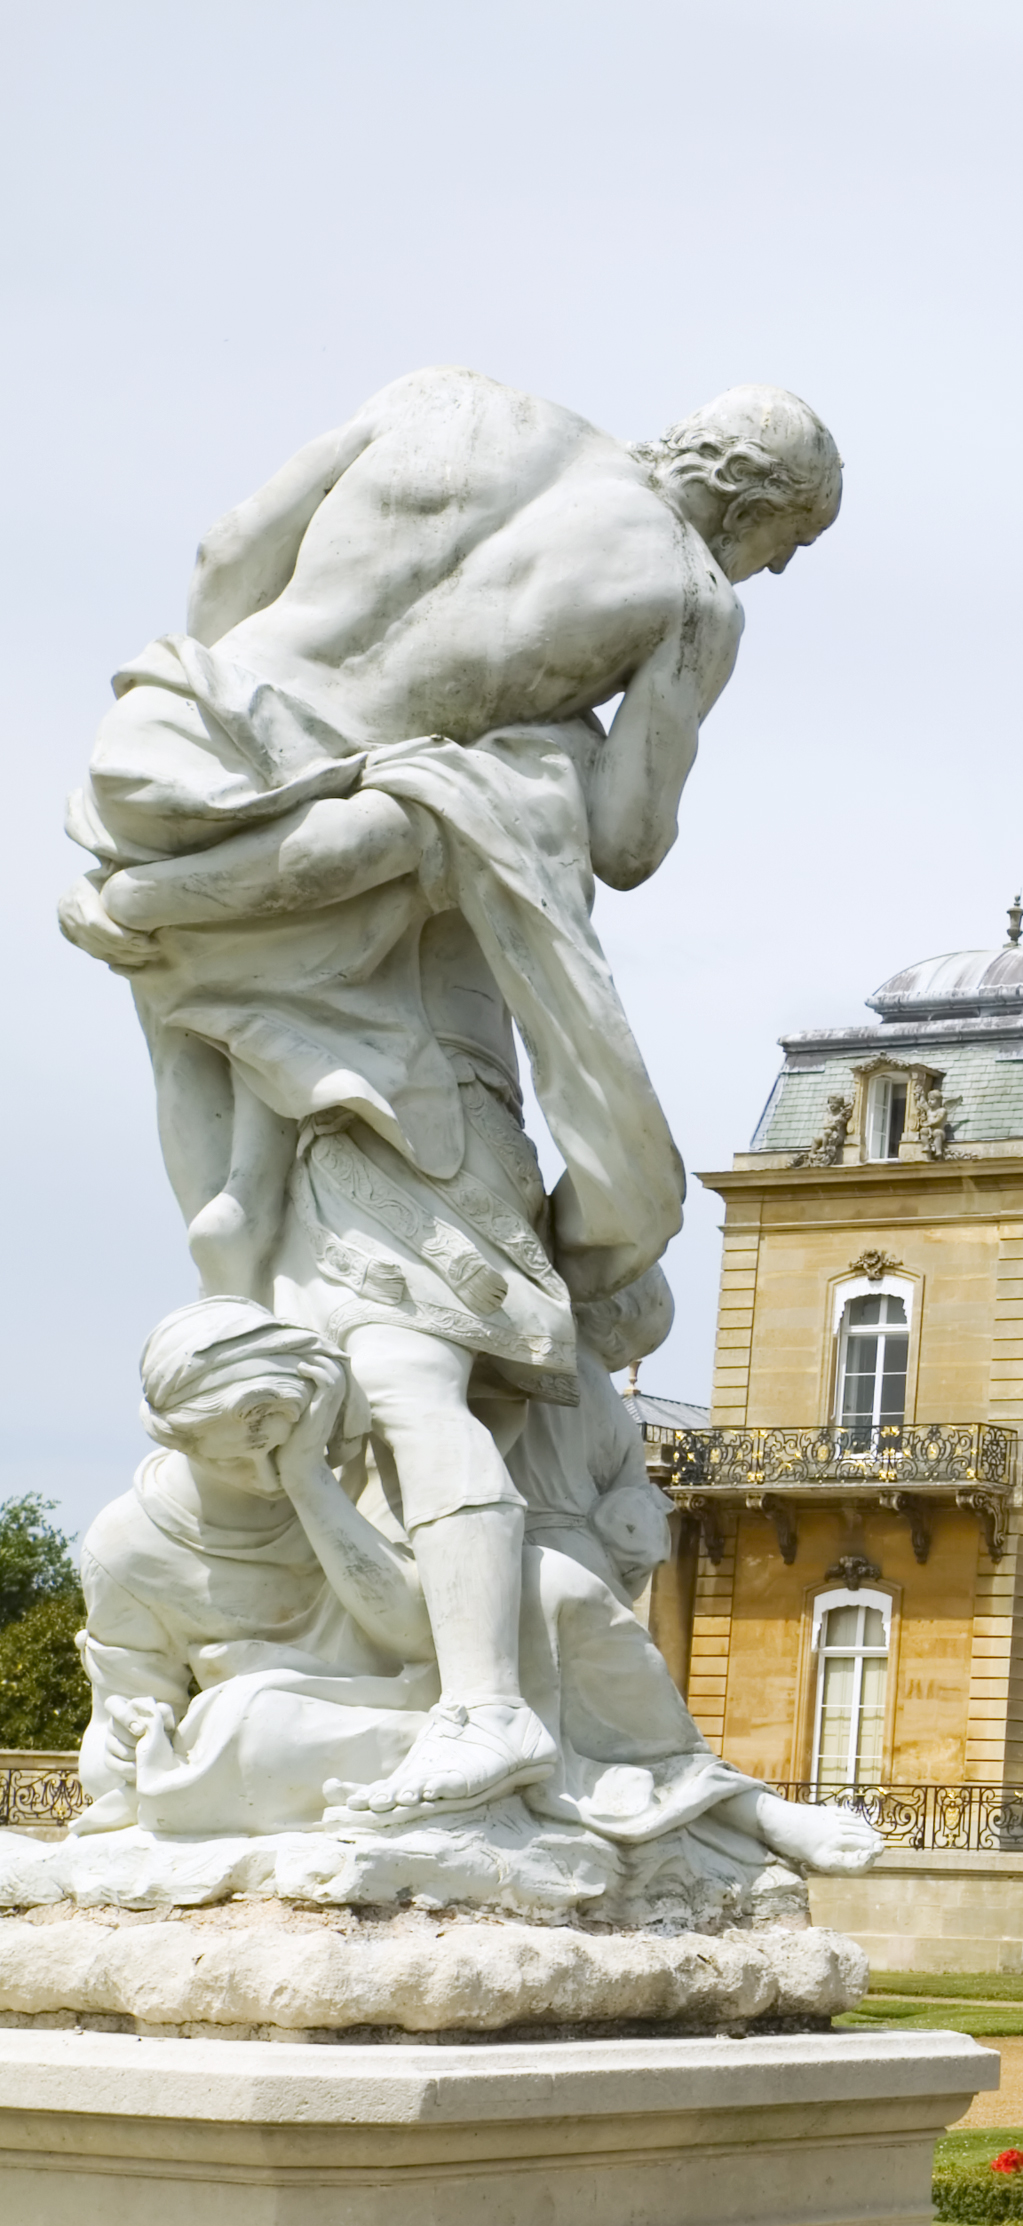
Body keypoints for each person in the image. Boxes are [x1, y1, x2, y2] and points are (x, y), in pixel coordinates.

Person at [56, 369, 840, 1826]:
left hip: (175, 751)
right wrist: (527, 743)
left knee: (244, 1220)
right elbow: (625, 839)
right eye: (783, 546)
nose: (769, 572)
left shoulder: (452, 402)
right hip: (353, 851)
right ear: (752, 504)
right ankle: (475, 1701)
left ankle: (153, 907)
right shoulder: (689, 592)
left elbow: (232, 550)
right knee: (395, 1313)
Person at [67, 1300, 873, 1899]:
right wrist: (131, 1734)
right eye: (248, 1428)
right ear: (174, 1431)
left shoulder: (345, 1465)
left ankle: (741, 1807)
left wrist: (314, 1484)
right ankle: (519, 1781)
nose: (272, 1444)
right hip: (302, 1731)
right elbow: (112, 1755)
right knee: (250, 1727)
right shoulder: (127, 1544)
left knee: (545, 1585)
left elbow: (425, 1629)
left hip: (440, 1698)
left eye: (286, 1419)